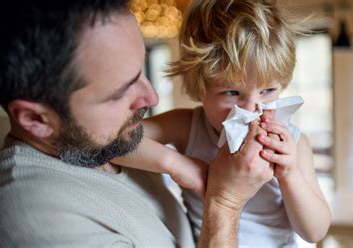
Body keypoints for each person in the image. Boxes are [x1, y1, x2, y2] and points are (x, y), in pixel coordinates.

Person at [0, 0, 274, 247]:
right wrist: (225, 204)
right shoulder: (37, 219)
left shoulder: (107, 142)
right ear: (36, 119)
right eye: (120, 93)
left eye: (140, 71)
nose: (151, 97)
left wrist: (175, 164)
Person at [114, 0, 331, 246]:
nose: (252, 109)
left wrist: (290, 174)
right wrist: (178, 164)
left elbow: (315, 232)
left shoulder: (294, 143)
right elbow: (114, 139)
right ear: (200, 89)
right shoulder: (188, 126)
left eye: (268, 90)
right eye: (231, 93)